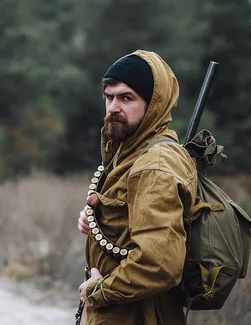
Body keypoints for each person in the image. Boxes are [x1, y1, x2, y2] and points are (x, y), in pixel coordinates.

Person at [76, 50, 198, 325]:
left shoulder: (155, 163)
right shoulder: (131, 150)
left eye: (126, 97)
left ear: (153, 103)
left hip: (140, 315)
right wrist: (98, 219)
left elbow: (158, 264)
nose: (113, 108)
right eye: (109, 97)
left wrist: (99, 291)